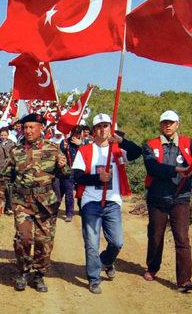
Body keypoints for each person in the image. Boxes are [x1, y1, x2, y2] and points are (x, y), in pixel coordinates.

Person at [0, 113, 70, 293]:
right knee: (24, 238)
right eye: (25, 127)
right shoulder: (16, 151)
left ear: (41, 128)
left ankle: (39, 274)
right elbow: (4, 176)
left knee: (43, 241)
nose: (27, 131)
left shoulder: (53, 149)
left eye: (31, 127)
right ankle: (23, 271)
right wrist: (0, 198)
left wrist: (63, 166)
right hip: (22, 202)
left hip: (46, 203)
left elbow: (66, 175)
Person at [142, 110, 192, 293]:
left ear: (177, 124)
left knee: (182, 238)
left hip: (181, 198)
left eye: (171, 122)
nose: (168, 125)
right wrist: (176, 170)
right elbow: (153, 167)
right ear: (160, 125)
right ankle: (152, 268)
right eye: (164, 122)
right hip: (158, 198)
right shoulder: (150, 145)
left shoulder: (188, 143)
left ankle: (184, 280)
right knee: (156, 236)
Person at [72, 114, 142, 294]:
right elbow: (77, 176)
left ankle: (107, 260)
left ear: (110, 128)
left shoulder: (118, 150)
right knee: (92, 242)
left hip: (112, 201)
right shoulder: (85, 150)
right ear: (94, 130)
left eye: (106, 126)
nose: (102, 129)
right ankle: (94, 278)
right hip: (91, 202)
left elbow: (137, 152)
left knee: (117, 242)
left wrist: (123, 141)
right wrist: (97, 178)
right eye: (99, 126)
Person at [58, 125, 84, 222]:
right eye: (74, 132)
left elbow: (87, 154)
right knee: (68, 193)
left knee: (81, 193)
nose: (76, 135)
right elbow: (60, 154)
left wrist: (80, 145)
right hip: (69, 171)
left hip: (81, 171)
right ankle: (69, 213)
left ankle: (82, 210)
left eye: (78, 133)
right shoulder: (65, 141)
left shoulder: (84, 143)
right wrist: (63, 148)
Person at [0, 126, 15, 215]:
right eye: (1, 135)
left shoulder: (13, 144)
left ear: (8, 135)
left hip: (9, 171)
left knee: (9, 189)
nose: (3, 137)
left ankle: (9, 207)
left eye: (5, 135)